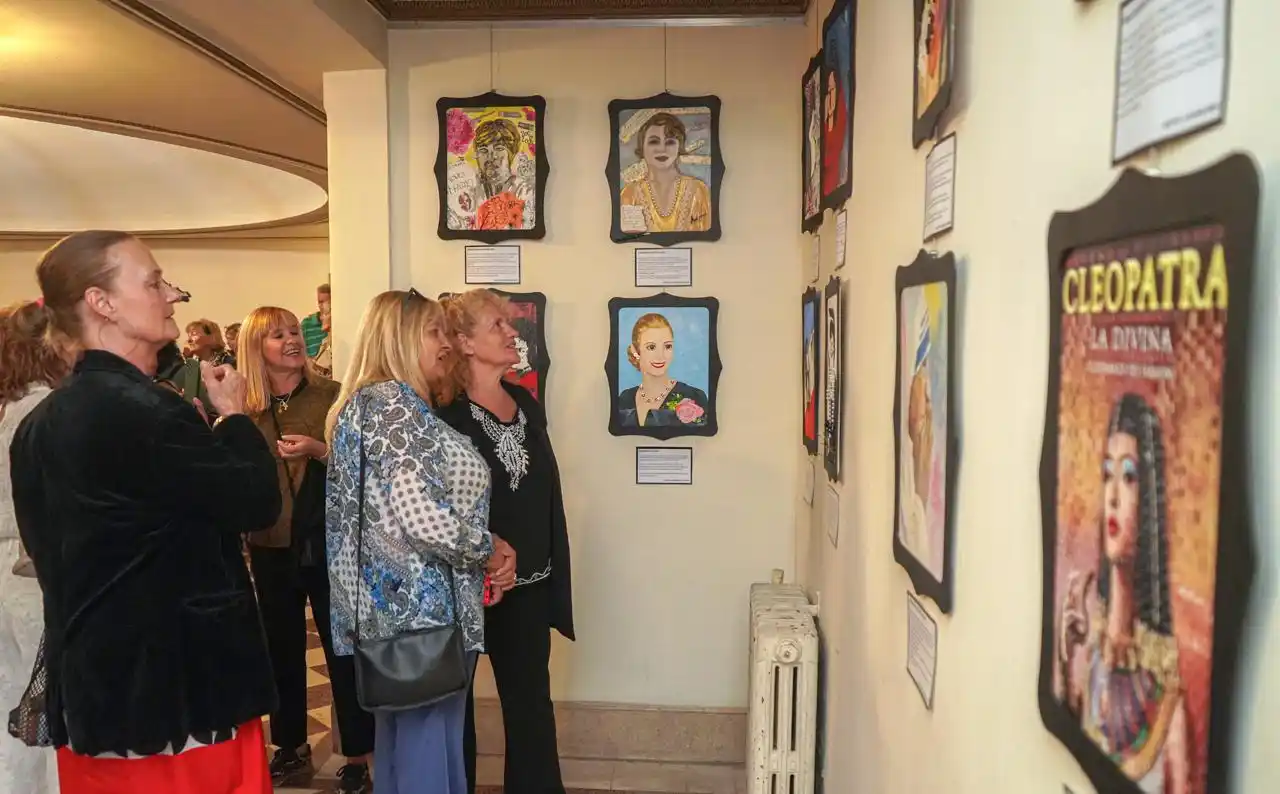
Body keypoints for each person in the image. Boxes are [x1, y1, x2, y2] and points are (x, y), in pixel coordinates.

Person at [9, 230, 282, 794]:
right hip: (176, 701)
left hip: (96, 691)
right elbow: (256, 502)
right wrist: (232, 419)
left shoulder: (39, 423)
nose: (171, 295)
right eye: (153, 282)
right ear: (101, 303)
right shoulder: (147, 411)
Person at [324, 289, 511, 794]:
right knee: (427, 756)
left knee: (405, 755)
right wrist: (486, 548)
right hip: (423, 621)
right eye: (433, 332)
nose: (445, 344)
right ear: (400, 338)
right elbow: (422, 517)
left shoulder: (369, 405)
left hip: (395, 623)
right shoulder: (394, 406)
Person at [435, 289, 575, 794]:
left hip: (529, 583)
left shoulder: (523, 401)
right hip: (463, 585)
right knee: (454, 709)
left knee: (531, 706)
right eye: (498, 324)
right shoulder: (442, 414)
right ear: (465, 342)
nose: (512, 332)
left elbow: (542, 492)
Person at [238, 307, 373, 793]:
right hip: (267, 544)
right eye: (278, 335)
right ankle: (289, 746)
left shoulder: (332, 396)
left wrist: (318, 450)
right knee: (281, 651)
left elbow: (362, 467)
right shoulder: (244, 408)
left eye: (294, 331)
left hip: (327, 542)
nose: (292, 340)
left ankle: (357, 754)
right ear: (257, 347)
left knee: (342, 651)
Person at [1058, 394, 1189, 794]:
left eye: (1129, 477)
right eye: (1107, 475)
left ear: (1148, 499)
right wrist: (1066, 658)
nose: (1113, 496)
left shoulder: (1167, 702)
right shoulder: (1089, 653)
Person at [0, 300, 71, 794]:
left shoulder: (9, 406)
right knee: (45, 698)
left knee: (10, 694)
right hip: (32, 565)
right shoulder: (46, 409)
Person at [618, 112, 711, 234]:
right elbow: (629, 241)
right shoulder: (630, 194)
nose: (662, 148)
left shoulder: (698, 190)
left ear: (680, 147)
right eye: (654, 142)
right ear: (642, 148)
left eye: (670, 142)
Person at [616, 312, 709, 429]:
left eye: (667, 346)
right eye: (651, 347)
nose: (660, 356)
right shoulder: (625, 399)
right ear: (635, 351)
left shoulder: (695, 396)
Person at [301, 283, 331, 359]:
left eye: (328, 302)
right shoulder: (306, 324)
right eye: (320, 302)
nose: (323, 306)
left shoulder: (338, 323)